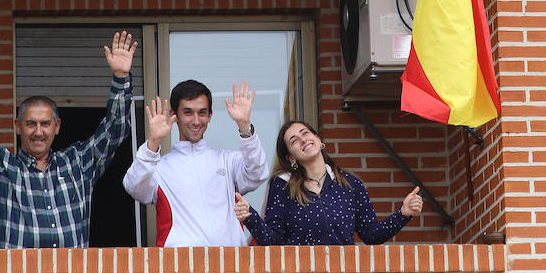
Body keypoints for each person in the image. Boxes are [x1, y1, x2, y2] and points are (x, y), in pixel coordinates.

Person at [0, 15, 136, 248]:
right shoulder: (0, 167)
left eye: (45, 124)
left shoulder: (77, 164)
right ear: (18, 127)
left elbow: (115, 128)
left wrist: (121, 78)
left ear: (57, 126)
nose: (38, 131)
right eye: (31, 124)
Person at [122, 78, 268, 245]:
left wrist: (244, 126)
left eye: (202, 112)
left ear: (210, 115)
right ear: (174, 115)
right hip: (180, 266)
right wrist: (154, 141)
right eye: (188, 112)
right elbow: (134, 187)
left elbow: (258, 173)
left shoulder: (227, 161)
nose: (196, 120)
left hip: (230, 265)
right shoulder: (159, 168)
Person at [234, 119, 423, 245]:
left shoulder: (350, 185)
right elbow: (272, 240)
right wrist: (250, 216)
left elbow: (371, 234)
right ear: (291, 157)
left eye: (305, 133)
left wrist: (403, 213)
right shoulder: (282, 186)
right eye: (294, 140)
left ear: (317, 138)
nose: (303, 140)